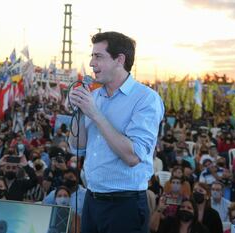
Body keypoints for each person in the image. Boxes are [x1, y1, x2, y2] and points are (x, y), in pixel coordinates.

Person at [68, 31, 164, 232]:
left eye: (98, 57)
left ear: (120, 59)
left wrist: (94, 113)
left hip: (124, 205)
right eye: (92, 56)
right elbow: (77, 145)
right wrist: (79, 110)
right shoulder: (95, 96)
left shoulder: (145, 99)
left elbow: (133, 156)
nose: (92, 64)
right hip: (92, 199)